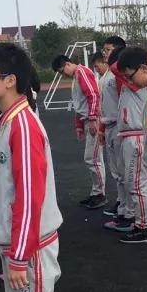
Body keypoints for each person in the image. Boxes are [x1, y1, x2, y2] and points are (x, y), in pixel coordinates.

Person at [0, 42, 64, 292]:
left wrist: (19, 256)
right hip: (20, 245)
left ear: (10, 80)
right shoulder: (7, 121)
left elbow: (29, 197)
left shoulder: (23, 127)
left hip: (30, 249)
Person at [110, 47, 147, 243]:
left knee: (138, 184)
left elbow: (114, 67)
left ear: (144, 68)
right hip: (131, 136)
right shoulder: (137, 82)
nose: (126, 80)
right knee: (136, 184)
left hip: (136, 137)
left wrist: (123, 53)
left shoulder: (143, 85)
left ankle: (144, 226)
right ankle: (143, 222)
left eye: (129, 75)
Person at [52, 54, 105, 210]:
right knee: (93, 158)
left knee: (93, 158)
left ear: (68, 64)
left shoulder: (82, 73)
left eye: (62, 71)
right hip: (88, 119)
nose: (63, 75)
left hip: (92, 119)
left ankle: (100, 193)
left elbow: (93, 95)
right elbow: (79, 103)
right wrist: (79, 126)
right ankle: (96, 192)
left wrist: (93, 118)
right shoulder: (77, 76)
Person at [101, 45, 128, 221]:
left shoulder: (119, 74)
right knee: (117, 172)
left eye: (109, 49)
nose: (105, 52)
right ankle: (122, 202)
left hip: (120, 125)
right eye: (104, 49)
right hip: (109, 124)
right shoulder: (106, 75)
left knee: (125, 172)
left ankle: (128, 209)